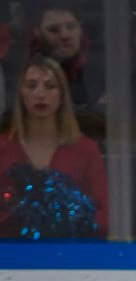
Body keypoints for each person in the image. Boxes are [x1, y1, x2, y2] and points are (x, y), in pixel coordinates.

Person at [0, 55, 108, 239]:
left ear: (62, 95)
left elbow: (106, 212)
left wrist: (76, 224)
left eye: (50, 86)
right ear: (20, 94)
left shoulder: (85, 149)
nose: (40, 94)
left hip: (72, 254)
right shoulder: (3, 147)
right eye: (31, 86)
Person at [31, 4, 107, 141]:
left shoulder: (106, 64)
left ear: (80, 29)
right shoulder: (24, 68)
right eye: (53, 30)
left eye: (71, 27)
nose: (64, 35)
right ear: (37, 33)